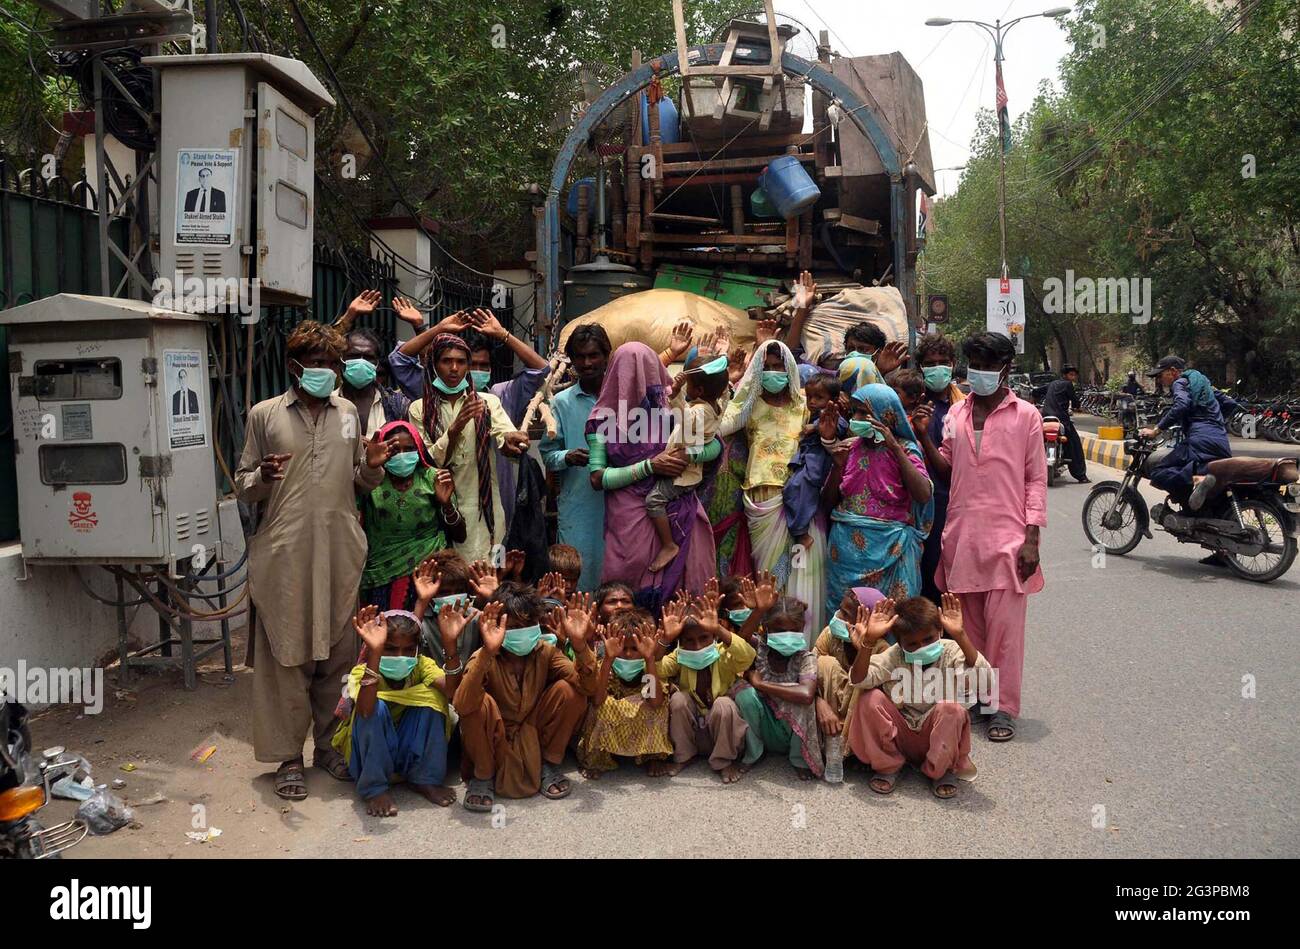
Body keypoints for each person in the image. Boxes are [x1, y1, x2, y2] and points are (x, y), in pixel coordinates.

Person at [234, 320, 396, 801]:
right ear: (293, 366)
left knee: (336, 652)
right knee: (287, 654)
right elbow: (242, 486)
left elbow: (360, 481)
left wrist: (371, 465)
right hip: (284, 553)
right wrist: (261, 475)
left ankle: (330, 746)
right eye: (318, 364)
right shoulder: (263, 415)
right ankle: (289, 757)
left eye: (332, 364)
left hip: (340, 549)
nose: (327, 372)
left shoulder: (348, 412)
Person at [927, 332, 1046, 743]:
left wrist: (1031, 537)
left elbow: (1035, 478)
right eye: (972, 364)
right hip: (961, 538)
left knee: (1005, 633)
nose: (977, 373)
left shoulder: (1026, 415)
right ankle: (980, 698)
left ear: (1005, 368)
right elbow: (944, 468)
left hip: (1009, 539)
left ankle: (1004, 708)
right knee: (969, 629)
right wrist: (916, 437)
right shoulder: (956, 415)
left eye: (986, 365)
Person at [389, 302, 549, 524]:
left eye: (480, 365)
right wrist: (432, 328)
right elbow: (399, 361)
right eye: (450, 362)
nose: (458, 369)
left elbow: (541, 370)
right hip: (440, 502)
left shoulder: (496, 398)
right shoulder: (425, 401)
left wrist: (503, 335)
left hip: (493, 500)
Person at [586, 343, 719, 610]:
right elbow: (598, 477)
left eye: (646, 376)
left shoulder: (672, 411)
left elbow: (714, 445)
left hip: (678, 508)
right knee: (627, 597)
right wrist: (649, 467)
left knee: (685, 600)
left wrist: (687, 457)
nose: (640, 385)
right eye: (631, 378)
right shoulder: (601, 421)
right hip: (629, 520)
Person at [455, 584, 599, 809]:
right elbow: (462, 706)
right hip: (495, 736)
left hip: (532, 729)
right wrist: (487, 654)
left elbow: (588, 688)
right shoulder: (483, 656)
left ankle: (548, 764)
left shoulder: (546, 651)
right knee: (477, 704)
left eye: (528, 625)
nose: (521, 631)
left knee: (571, 692)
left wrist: (580, 646)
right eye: (513, 626)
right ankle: (482, 776)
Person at [718, 339, 825, 636]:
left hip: (800, 500)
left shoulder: (804, 404)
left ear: (789, 368)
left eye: (779, 367)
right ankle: (772, 642)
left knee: (802, 569)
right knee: (771, 576)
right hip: (761, 498)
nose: (774, 372)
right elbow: (721, 427)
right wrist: (739, 383)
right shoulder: (749, 404)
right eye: (767, 368)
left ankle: (803, 644)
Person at [846, 595, 986, 799]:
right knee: (870, 698)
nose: (921, 647)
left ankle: (940, 769)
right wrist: (868, 641)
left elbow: (984, 681)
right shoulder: (895, 656)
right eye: (912, 644)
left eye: (928, 639)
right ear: (901, 644)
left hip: (938, 737)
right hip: (903, 735)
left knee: (952, 709)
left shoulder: (952, 650)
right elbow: (859, 679)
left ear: (939, 631)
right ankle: (889, 765)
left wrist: (960, 634)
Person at [408, 333, 530, 562]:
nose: (454, 368)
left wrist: (512, 441)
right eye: (446, 361)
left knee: (492, 575)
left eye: (461, 362)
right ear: (434, 365)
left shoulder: (487, 402)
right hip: (440, 510)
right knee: (451, 580)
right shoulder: (419, 409)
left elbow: (504, 436)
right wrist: (455, 428)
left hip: (488, 511)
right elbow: (428, 462)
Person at [333, 605, 464, 815]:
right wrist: (375, 653)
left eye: (408, 650)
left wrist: (450, 645)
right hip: (371, 755)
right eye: (390, 649)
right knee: (376, 707)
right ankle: (375, 789)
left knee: (432, 698)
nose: (400, 656)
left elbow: (451, 691)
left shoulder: (421, 665)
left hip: (409, 749)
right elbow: (366, 712)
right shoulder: (362, 671)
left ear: (417, 650)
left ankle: (425, 779)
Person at [823, 383, 933, 619]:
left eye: (865, 413)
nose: (857, 418)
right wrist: (837, 466)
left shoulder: (907, 449)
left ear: (887, 415)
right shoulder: (850, 448)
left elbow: (923, 494)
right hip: (845, 553)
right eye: (855, 412)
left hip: (890, 549)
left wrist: (894, 447)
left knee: (891, 617)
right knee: (845, 619)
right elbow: (827, 503)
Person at [358, 420, 466, 612]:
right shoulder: (370, 481)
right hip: (381, 575)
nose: (402, 456)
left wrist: (446, 504)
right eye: (394, 450)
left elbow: (460, 535)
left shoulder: (433, 478)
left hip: (429, 572)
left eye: (408, 449)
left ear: (418, 449)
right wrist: (368, 467)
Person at [656, 593, 757, 783]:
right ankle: (684, 756)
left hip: (723, 732)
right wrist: (665, 639)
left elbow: (747, 656)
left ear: (713, 637)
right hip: (695, 731)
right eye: (689, 641)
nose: (697, 646)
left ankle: (723, 761)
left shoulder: (722, 653)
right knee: (678, 700)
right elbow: (656, 669)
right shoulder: (680, 656)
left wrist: (718, 629)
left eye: (704, 638)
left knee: (724, 704)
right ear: (680, 642)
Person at [540, 325, 611, 590]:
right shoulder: (562, 402)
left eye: (593, 355)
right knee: (578, 580)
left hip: (619, 506)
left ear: (606, 356)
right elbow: (548, 454)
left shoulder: (624, 399)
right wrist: (567, 457)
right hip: (579, 508)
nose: (587, 363)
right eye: (580, 357)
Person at [647, 351, 729, 572]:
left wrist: (675, 393)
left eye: (689, 385)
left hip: (683, 473)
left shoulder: (701, 411)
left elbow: (682, 415)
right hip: (689, 469)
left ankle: (668, 545)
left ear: (699, 390)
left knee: (653, 500)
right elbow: (724, 393)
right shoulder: (716, 404)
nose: (686, 389)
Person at [733, 596, 824, 780]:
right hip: (763, 723)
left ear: (802, 629)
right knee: (744, 694)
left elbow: (806, 695)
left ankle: (798, 758)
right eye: (781, 631)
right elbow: (739, 641)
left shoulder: (805, 658)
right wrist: (758, 611)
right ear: (767, 629)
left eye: (794, 630)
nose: (788, 636)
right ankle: (754, 752)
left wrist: (761, 684)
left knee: (801, 699)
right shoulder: (759, 648)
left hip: (791, 731)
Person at [575, 608, 673, 778]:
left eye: (634, 649)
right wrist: (608, 659)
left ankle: (652, 757)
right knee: (602, 707)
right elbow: (598, 700)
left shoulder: (649, 667)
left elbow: (655, 701)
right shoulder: (606, 665)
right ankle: (598, 760)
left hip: (640, 723)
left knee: (656, 707)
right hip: (614, 723)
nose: (628, 654)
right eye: (622, 648)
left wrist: (649, 659)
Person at [909, 333, 964, 606]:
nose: (937, 368)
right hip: (916, 502)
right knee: (924, 568)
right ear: (920, 367)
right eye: (930, 363)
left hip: (950, 500)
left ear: (953, 364)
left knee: (948, 568)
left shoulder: (962, 407)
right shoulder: (910, 403)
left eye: (943, 362)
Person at [1140, 356, 1238, 507]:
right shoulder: (1203, 385)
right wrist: (1212, 421)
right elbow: (1230, 403)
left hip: (1199, 441)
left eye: (1160, 375)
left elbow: (1181, 406)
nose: (1159, 380)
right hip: (1220, 441)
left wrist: (1156, 430)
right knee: (1196, 469)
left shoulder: (1179, 382)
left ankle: (1191, 493)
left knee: (1159, 471)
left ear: (1173, 371)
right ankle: (1197, 505)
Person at [813, 586, 887, 757]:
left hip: (860, 721)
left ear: (866, 620)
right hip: (828, 718)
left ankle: (854, 750)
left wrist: (862, 649)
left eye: (846, 614)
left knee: (866, 683)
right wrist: (818, 702)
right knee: (824, 663)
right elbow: (807, 670)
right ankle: (829, 742)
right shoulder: (830, 635)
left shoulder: (882, 649)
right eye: (840, 610)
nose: (838, 617)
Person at [1039, 364, 1089, 483]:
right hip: (1061, 418)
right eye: (1071, 375)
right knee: (1074, 444)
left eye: (1074, 375)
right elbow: (1075, 401)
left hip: (1045, 417)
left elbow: (1037, 391)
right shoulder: (1068, 385)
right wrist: (1078, 407)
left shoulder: (1052, 384)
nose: (1073, 377)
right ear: (1065, 375)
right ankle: (1081, 476)